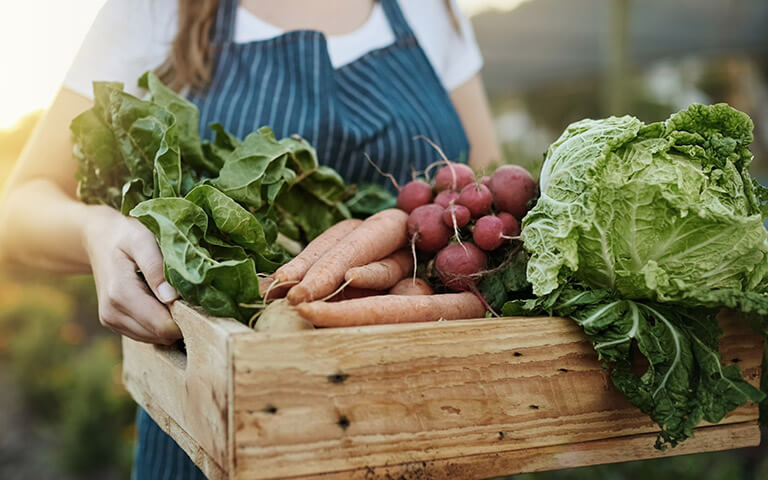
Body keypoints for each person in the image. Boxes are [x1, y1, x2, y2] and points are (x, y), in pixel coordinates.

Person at [0, 0, 501, 477]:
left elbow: (487, 194)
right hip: (217, 430)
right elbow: (19, 204)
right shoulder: (155, 8)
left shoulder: (430, 7)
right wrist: (98, 230)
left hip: (425, 423)